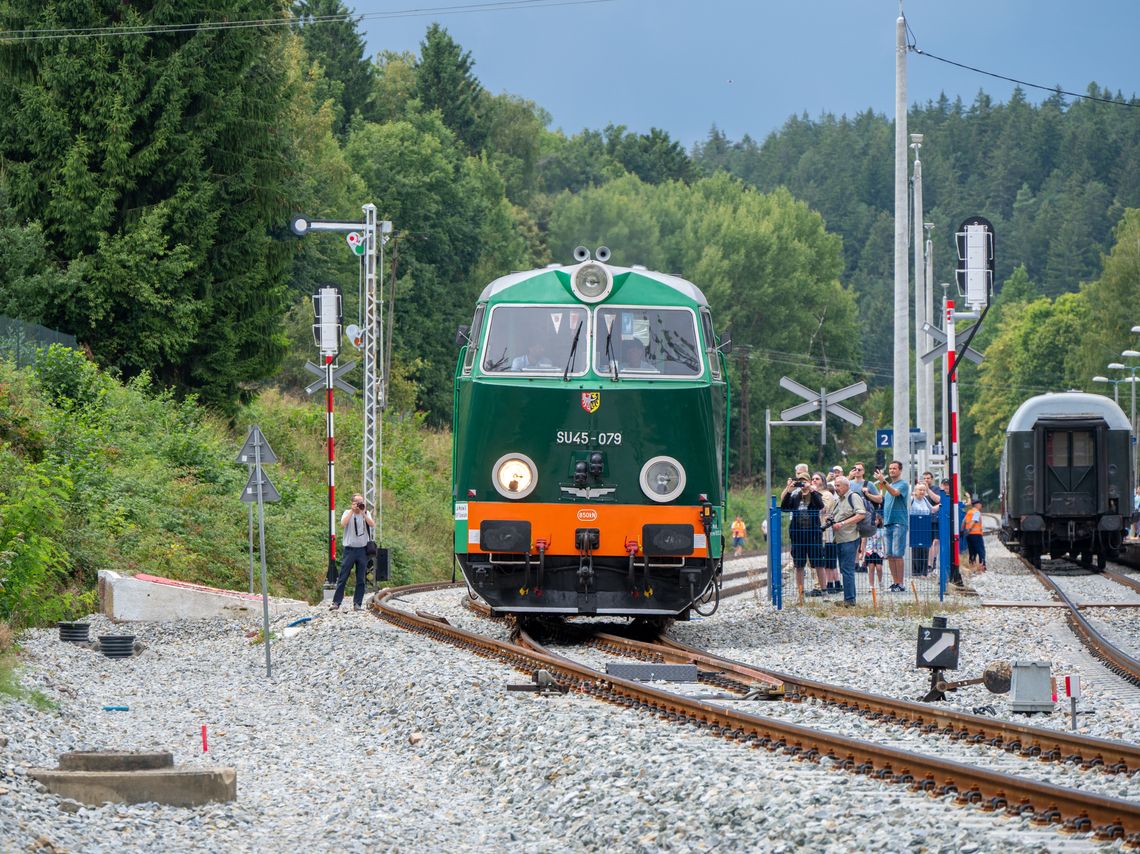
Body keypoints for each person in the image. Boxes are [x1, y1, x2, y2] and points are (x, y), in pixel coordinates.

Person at [780, 463, 825, 599]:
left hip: (813, 535)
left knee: (818, 563)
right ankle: (800, 592)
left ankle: (824, 591)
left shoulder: (815, 494)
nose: (802, 484)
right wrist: (789, 490)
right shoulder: (795, 496)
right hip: (798, 535)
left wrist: (811, 490)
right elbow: (784, 507)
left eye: (804, 481)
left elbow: (820, 505)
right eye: (800, 482)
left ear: (809, 482)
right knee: (799, 565)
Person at [331, 493, 375, 611]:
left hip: (362, 550)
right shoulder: (347, 513)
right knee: (343, 576)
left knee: (361, 578)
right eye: (357, 502)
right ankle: (336, 602)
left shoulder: (366, 513)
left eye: (361, 502)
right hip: (349, 550)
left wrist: (363, 513)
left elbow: (372, 524)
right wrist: (352, 511)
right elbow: (343, 524)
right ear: (353, 503)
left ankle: (357, 604)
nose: (360, 504)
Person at [829, 476, 867, 606]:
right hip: (840, 538)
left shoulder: (853, 497)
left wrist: (842, 523)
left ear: (847, 486)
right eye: (835, 485)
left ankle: (850, 600)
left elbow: (861, 514)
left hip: (850, 538)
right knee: (844, 569)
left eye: (838, 485)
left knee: (847, 570)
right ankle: (848, 598)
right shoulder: (838, 500)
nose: (836, 488)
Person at [875, 460, 909, 592]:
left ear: (900, 470)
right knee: (889, 555)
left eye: (894, 468)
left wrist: (883, 481)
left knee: (897, 554)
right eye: (890, 468)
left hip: (899, 522)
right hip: (888, 523)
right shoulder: (888, 486)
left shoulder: (903, 484)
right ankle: (895, 583)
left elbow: (895, 493)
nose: (892, 471)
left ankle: (901, 584)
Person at [815, 472, 841, 594]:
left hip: (826, 533)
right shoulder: (816, 494)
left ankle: (828, 585)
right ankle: (834, 584)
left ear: (823, 481)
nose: (814, 481)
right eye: (813, 479)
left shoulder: (826, 495)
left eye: (817, 478)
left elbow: (822, 509)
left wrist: (813, 494)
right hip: (820, 532)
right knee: (828, 561)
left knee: (828, 561)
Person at [909, 481, 935, 577]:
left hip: (925, 526)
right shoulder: (911, 499)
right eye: (920, 490)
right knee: (916, 549)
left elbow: (932, 509)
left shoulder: (925, 499)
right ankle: (916, 572)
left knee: (925, 549)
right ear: (915, 491)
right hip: (915, 526)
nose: (922, 492)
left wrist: (942, 505)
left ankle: (924, 572)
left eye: (924, 490)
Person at [923, 472, 944, 573]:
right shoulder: (920, 488)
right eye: (925, 478)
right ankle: (927, 563)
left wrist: (928, 490)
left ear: (932, 479)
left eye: (928, 478)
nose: (926, 480)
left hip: (935, 519)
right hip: (925, 518)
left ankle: (932, 563)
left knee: (935, 541)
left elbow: (938, 499)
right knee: (927, 543)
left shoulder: (936, 489)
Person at [962, 498, 986, 571]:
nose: (981, 505)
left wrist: (962, 530)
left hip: (969, 536)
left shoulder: (969, 512)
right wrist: (969, 529)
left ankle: (972, 565)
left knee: (972, 551)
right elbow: (973, 521)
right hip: (976, 535)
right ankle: (982, 566)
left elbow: (963, 521)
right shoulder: (976, 512)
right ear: (977, 505)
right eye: (980, 504)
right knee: (981, 551)